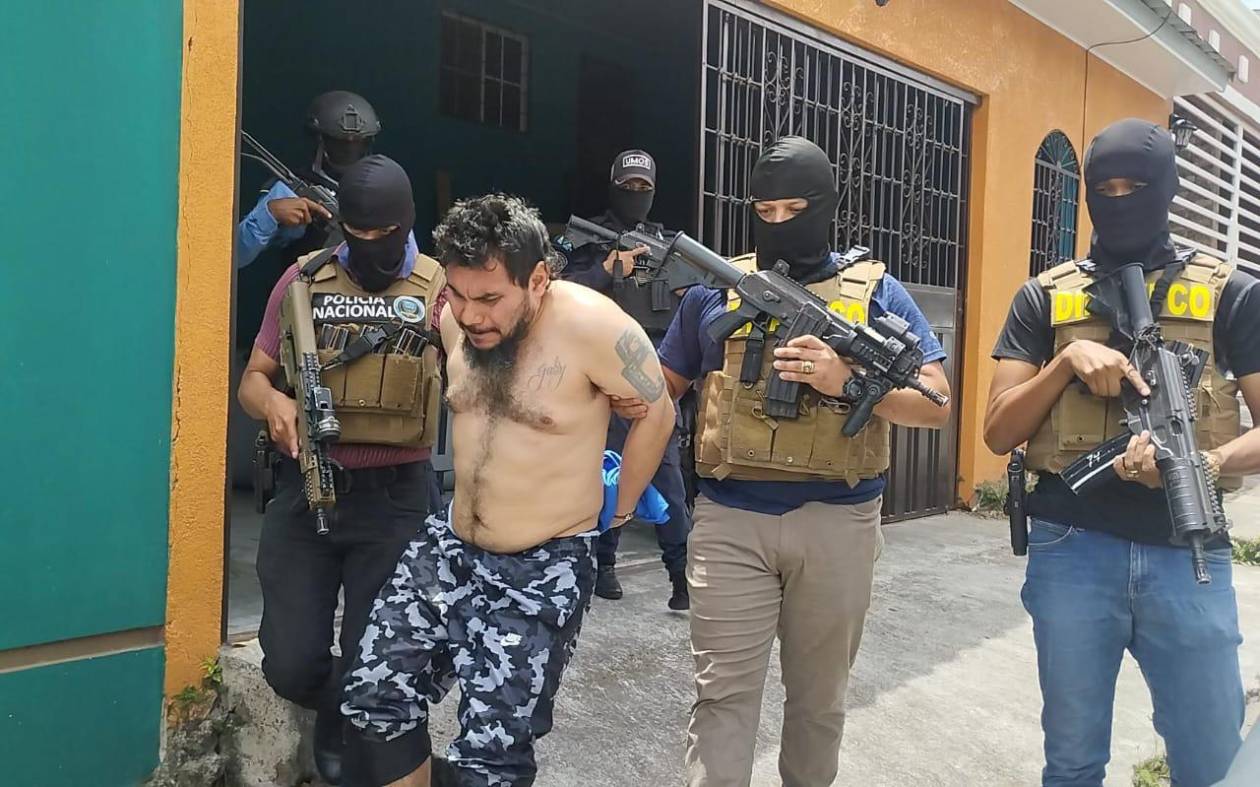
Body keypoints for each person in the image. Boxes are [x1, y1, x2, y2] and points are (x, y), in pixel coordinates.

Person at [631, 136, 950, 786]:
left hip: (838, 522)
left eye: (794, 210)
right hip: (730, 521)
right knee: (721, 700)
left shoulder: (877, 293)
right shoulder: (721, 288)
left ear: (825, 207)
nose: (777, 223)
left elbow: (935, 403)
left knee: (818, 704)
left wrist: (846, 381)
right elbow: (659, 390)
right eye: (765, 211)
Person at [339, 194, 676, 786]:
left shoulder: (594, 327)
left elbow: (658, 411)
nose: (471, 315)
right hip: (450, 547)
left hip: (541, 565)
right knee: (374, 698)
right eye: (460, 294)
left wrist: (618, 513)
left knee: (492, 754)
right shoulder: (454, 321)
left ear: (538, 280)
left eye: (490, 299)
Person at [984, 117, 1260, 787]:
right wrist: (1065, 363)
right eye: (1102, 190)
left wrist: (1205, 464)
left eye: (1135, 187)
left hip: (1188, 552)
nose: (1118, 201)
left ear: (1167, 188)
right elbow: (997, 430)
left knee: (1212, 763)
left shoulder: (1231, 293)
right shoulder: (1044, 296)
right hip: (1071, 548)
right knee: (1073, 763)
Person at [238, 154, 446, 785]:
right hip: (307, 492)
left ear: (406, 222)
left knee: (375, 654)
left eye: (384, 234)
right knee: (289, 663)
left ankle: (367, 741)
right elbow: (253, 379)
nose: (371, 245)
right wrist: (273, 404)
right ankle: (336, 702)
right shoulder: (303, 280)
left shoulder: (440, 290)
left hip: (395, 502)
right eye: (358, 233)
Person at [558, 148, 694, 608]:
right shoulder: (588, 239)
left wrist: (683, 289)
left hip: (654, 377)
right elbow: (555, 292)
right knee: (607, 472)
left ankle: (680, 577)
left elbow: (697, 308)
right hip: (601, 377)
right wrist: (606, 270)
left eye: (643, 187)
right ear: (613, 186)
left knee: (668, 477)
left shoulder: (671, 245)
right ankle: (604, 566)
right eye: (627, 186)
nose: (635, 193)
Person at [236, 90, 389, 269]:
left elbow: (408, 256)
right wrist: (270, 213)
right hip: (304, 285)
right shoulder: (288, 190)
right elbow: (235, 256)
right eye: (339, 143)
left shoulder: (384, 191)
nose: (349, 150)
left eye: (358, 143)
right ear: (320, 140)